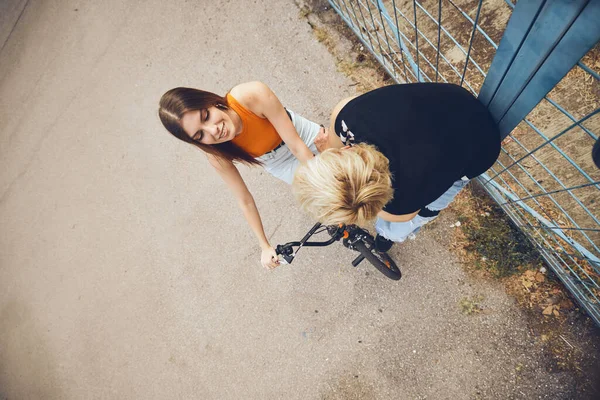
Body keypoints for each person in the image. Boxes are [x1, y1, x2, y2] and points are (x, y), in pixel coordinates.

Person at [293, 83, 501, 251]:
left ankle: (390, 236)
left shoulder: (403, 200)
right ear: (346, 153)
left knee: (420, 214)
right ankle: (387, 236)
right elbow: (338, 137)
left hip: (481, 147)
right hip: (454, 100)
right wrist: (328, 150)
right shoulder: (346, 117)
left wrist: (364, 209)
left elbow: (407, 215)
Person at [158, 81, 323, 269]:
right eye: (199, 135)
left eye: (206, 116)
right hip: (279, 164)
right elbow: (244, 200)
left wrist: (325, 177)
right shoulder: (216, 154)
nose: (213, 130)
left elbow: (297, 146)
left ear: (210, 101)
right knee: (329, 199)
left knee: (339, 171)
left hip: (300, 136)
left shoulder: (250, 95)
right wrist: (264, 246)